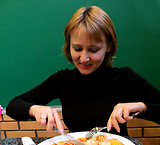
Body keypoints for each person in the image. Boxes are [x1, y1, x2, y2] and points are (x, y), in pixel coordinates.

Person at [6, 6, 160, 136]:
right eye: (77, 48)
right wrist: (34, 109)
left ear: (109, 46)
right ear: (69, 46)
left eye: (93, 50)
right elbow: (13, 106)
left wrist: (142, 107)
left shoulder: (126, 78)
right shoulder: (62, 80)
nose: (84, 58)